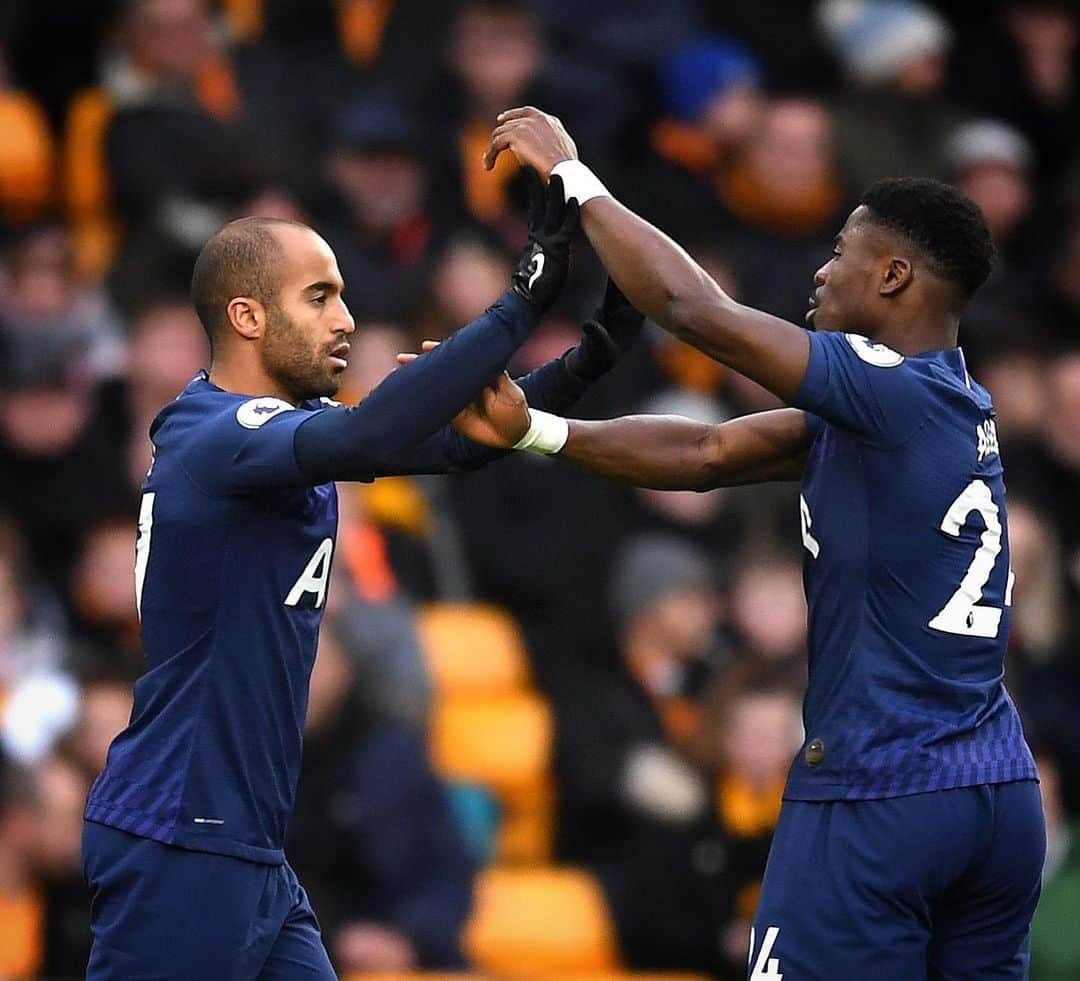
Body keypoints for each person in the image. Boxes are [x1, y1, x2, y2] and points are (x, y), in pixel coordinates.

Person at [463, 107, 1045, 979]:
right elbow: (707, 451)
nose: (820, 269)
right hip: (995, 792)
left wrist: (575, 181)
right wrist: (537, 431)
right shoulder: (942, 405)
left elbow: (690, 308)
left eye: (841, 252)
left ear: (892, 276)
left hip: (882, 790)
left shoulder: (885, 389)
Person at [80, 178, 636, 979]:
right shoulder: (213, 433)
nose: (344, 319)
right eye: (319, 298)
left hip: (242, 839)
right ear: (247, 316)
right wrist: (521, 299)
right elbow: (381, 428)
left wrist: (584, 362)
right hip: (183, 830)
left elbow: (450, 443)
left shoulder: (276, 438)